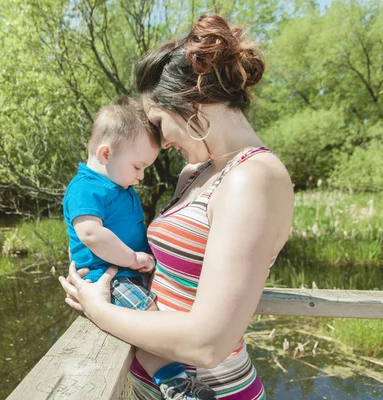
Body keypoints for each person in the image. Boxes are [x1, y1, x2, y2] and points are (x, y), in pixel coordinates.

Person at [59, 14, 294, 400]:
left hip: (213, 391)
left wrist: (98, 308)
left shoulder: (254, 177)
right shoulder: (195, 172)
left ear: (189, 101)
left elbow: (208, 344)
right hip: (151, 387)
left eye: (158, 122)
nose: (162, 143)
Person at [63, 96, 216, 400]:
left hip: (123, 274)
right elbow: (91, 234)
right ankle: (177, 385)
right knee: (146, 318)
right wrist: (133, 258)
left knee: (146, 322)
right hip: (108, 276)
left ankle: (172, 380)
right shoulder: (85, 188)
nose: (142, 175)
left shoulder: (118, 186)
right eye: (138, 166)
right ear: (106, 153)